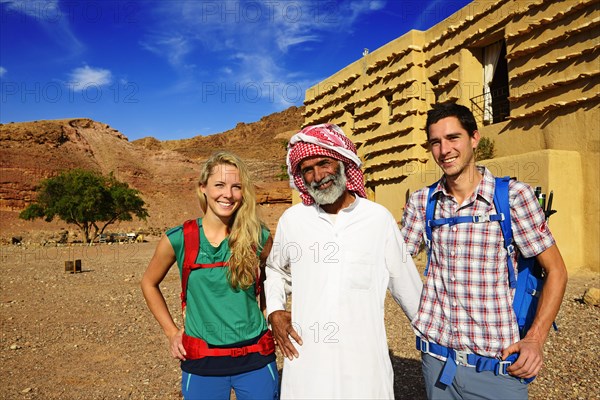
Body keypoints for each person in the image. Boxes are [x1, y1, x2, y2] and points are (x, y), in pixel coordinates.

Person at [401, 102, 568, 399]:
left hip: (499, 367)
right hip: (436, 363)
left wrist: (535, 340)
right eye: (435, 142)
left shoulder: (514, 197)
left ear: (474, 138)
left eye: (453, 138)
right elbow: (392, 262)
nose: (444, 150)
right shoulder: (422, 202)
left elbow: (557, 270)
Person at [265, 123, 423, 399]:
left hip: (364, 367)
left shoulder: (377, 219)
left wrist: (439, 343)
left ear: (342, 163)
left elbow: (409, 288)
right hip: (307, 363)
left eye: (324, 163)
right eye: (308, 170)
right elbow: (275, 270)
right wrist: (275, 311)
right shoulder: (294, 220)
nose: (317, 176)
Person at [141, 151, 278, 400]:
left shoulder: (258, 236)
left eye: (236, 186)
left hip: (256, 357)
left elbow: (273, 276)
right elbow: (149, 283)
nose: (228, 194)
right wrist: (171, 332)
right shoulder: (179, 238)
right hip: (202, 362)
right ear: (203, 188)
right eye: (219, 185)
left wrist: (270, 313)